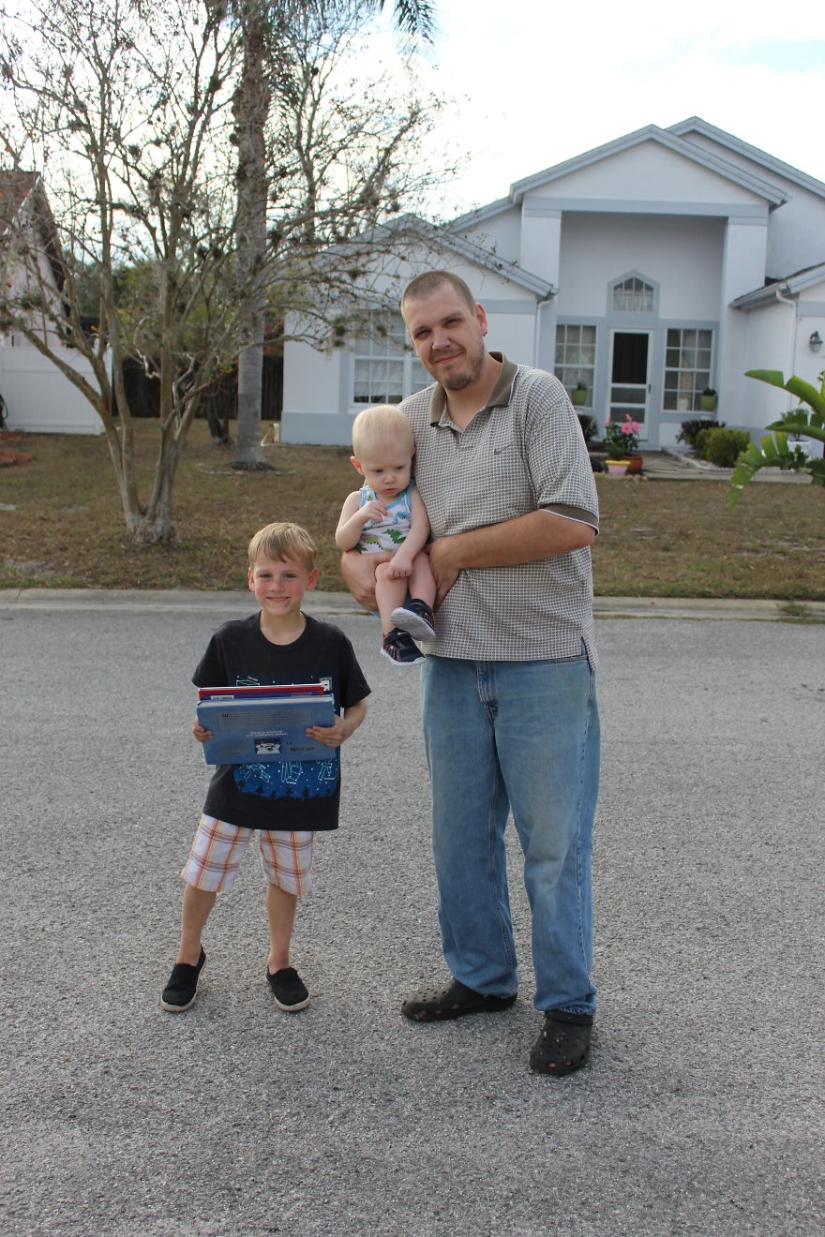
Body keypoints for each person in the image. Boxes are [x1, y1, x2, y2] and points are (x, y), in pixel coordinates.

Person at [341, 271, 600, 1076]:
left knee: (552, 844)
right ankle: (482, 979)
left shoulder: (536, 398)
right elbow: (365, 530)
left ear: (480, 320)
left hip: (542, 660)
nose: (438, 341)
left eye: (450, 322)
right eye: (421, 332)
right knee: (459, 838)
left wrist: (442, 553)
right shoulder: (406, 420)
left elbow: (571, 521)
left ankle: (566, 1004)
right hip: (446, 663)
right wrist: (358, 567)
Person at [161, 521, 370, 1014]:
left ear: (312, 579)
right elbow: (207, 704)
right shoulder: (230, 640)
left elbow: (358, 704)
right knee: (205, 871)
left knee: (286, 877)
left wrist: (346, 728)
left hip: (300, 789)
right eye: (267, 575)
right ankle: (188, 955)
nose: (278, 587)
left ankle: (279, 960)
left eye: (289, 576)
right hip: (235, 783)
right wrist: (200, 728)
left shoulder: (330, 643)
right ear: (250, 579)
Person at [335, 403, 436, 667]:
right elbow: (343, 542)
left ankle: (422, 610)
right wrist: (360, 517)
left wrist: (405, 556)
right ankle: (393, 635)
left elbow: (421, 528)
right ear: (358, 466)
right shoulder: (358, 500)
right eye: (378, 471)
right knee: (385, 573)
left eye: (399, 468)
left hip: (409, 556)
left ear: (411, 457)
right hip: (382, 570)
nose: (390, 479)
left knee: (421, 561)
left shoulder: (409, 494)